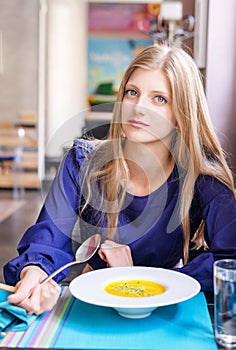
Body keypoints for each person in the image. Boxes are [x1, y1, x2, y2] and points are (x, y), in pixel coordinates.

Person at [4, 44, 236, 315]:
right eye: (132, 92)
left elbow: (230, 260)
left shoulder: (201, 178)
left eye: (159, 99)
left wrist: (144, 280)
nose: (138, 108)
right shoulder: (81, 161)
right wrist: (35, 276)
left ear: (181, 114)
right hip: (91, 309)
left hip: (162, 313)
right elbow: (48, 241)